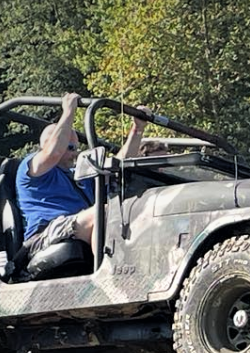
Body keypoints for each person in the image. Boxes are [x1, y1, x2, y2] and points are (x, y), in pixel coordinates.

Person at [15, 93, 150, 260]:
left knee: (135, 210)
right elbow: (54, 152)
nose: (76, 153)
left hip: (78, 226)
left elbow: (116, 168)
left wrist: (137, 130)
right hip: (43, 236)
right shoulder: (31, 169)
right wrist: (69, 112)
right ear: (48, 144)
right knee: (103, 212)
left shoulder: (78, 176)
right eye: (71, 147)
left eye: (77, 147)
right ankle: (105, 274)